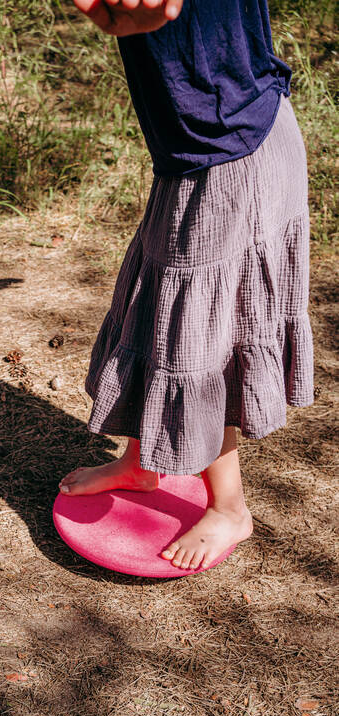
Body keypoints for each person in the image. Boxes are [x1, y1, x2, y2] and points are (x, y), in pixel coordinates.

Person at [59, 0, 314, 571]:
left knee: (197, 339)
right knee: (157, 310)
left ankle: (230, 508)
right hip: (202, 152)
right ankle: (142, 463)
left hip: (233, 154)